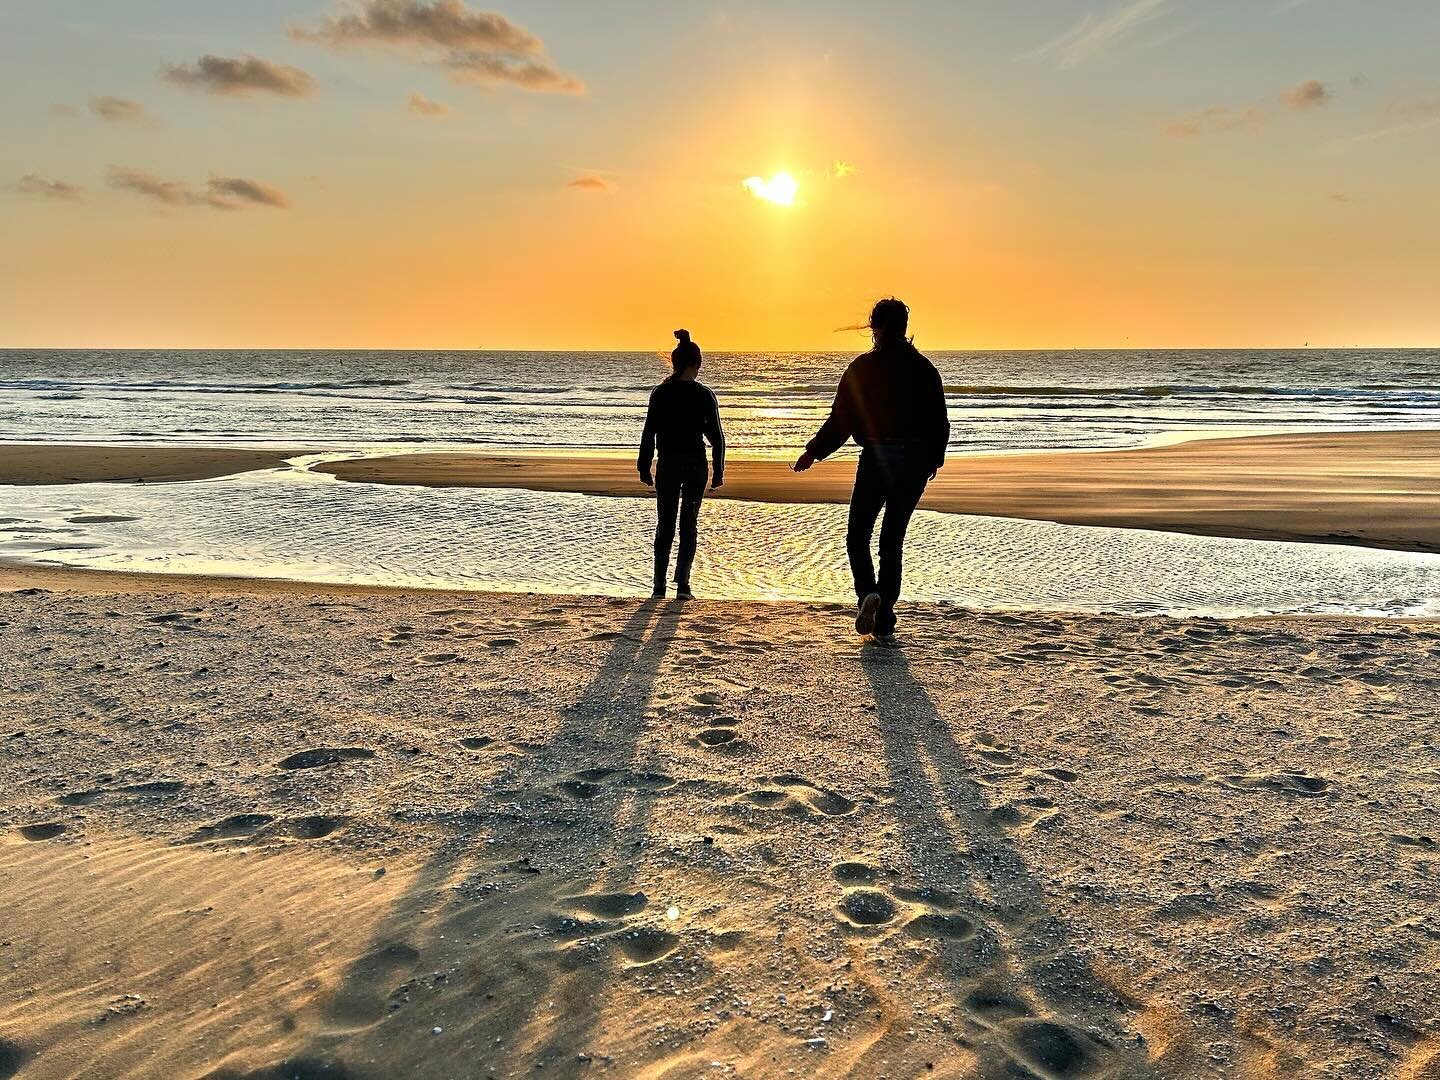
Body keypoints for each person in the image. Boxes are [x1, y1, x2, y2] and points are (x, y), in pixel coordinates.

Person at [793, 298, 949, 638]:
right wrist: (934, 459)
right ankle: (885, 620)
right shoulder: (924, 369)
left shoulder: (862, 368)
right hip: (914, 462)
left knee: (857, 536)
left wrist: (812, 452)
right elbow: (939, 420)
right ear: (904, 328)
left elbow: (842, 420)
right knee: (892, 541)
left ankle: (869, 594)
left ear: (874, 328)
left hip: (877, 458)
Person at [638, 329, 725, 600]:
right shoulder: (704, 395)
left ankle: (658, 585)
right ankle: (683, 586)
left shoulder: (661, 393)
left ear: (675, 363)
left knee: (665, 525)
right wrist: (719, 470)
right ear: (697, 364)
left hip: (668, 465)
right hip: (695, 466)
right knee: (688, 525)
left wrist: (644, 466)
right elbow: (717, 437)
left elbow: (648, 431)